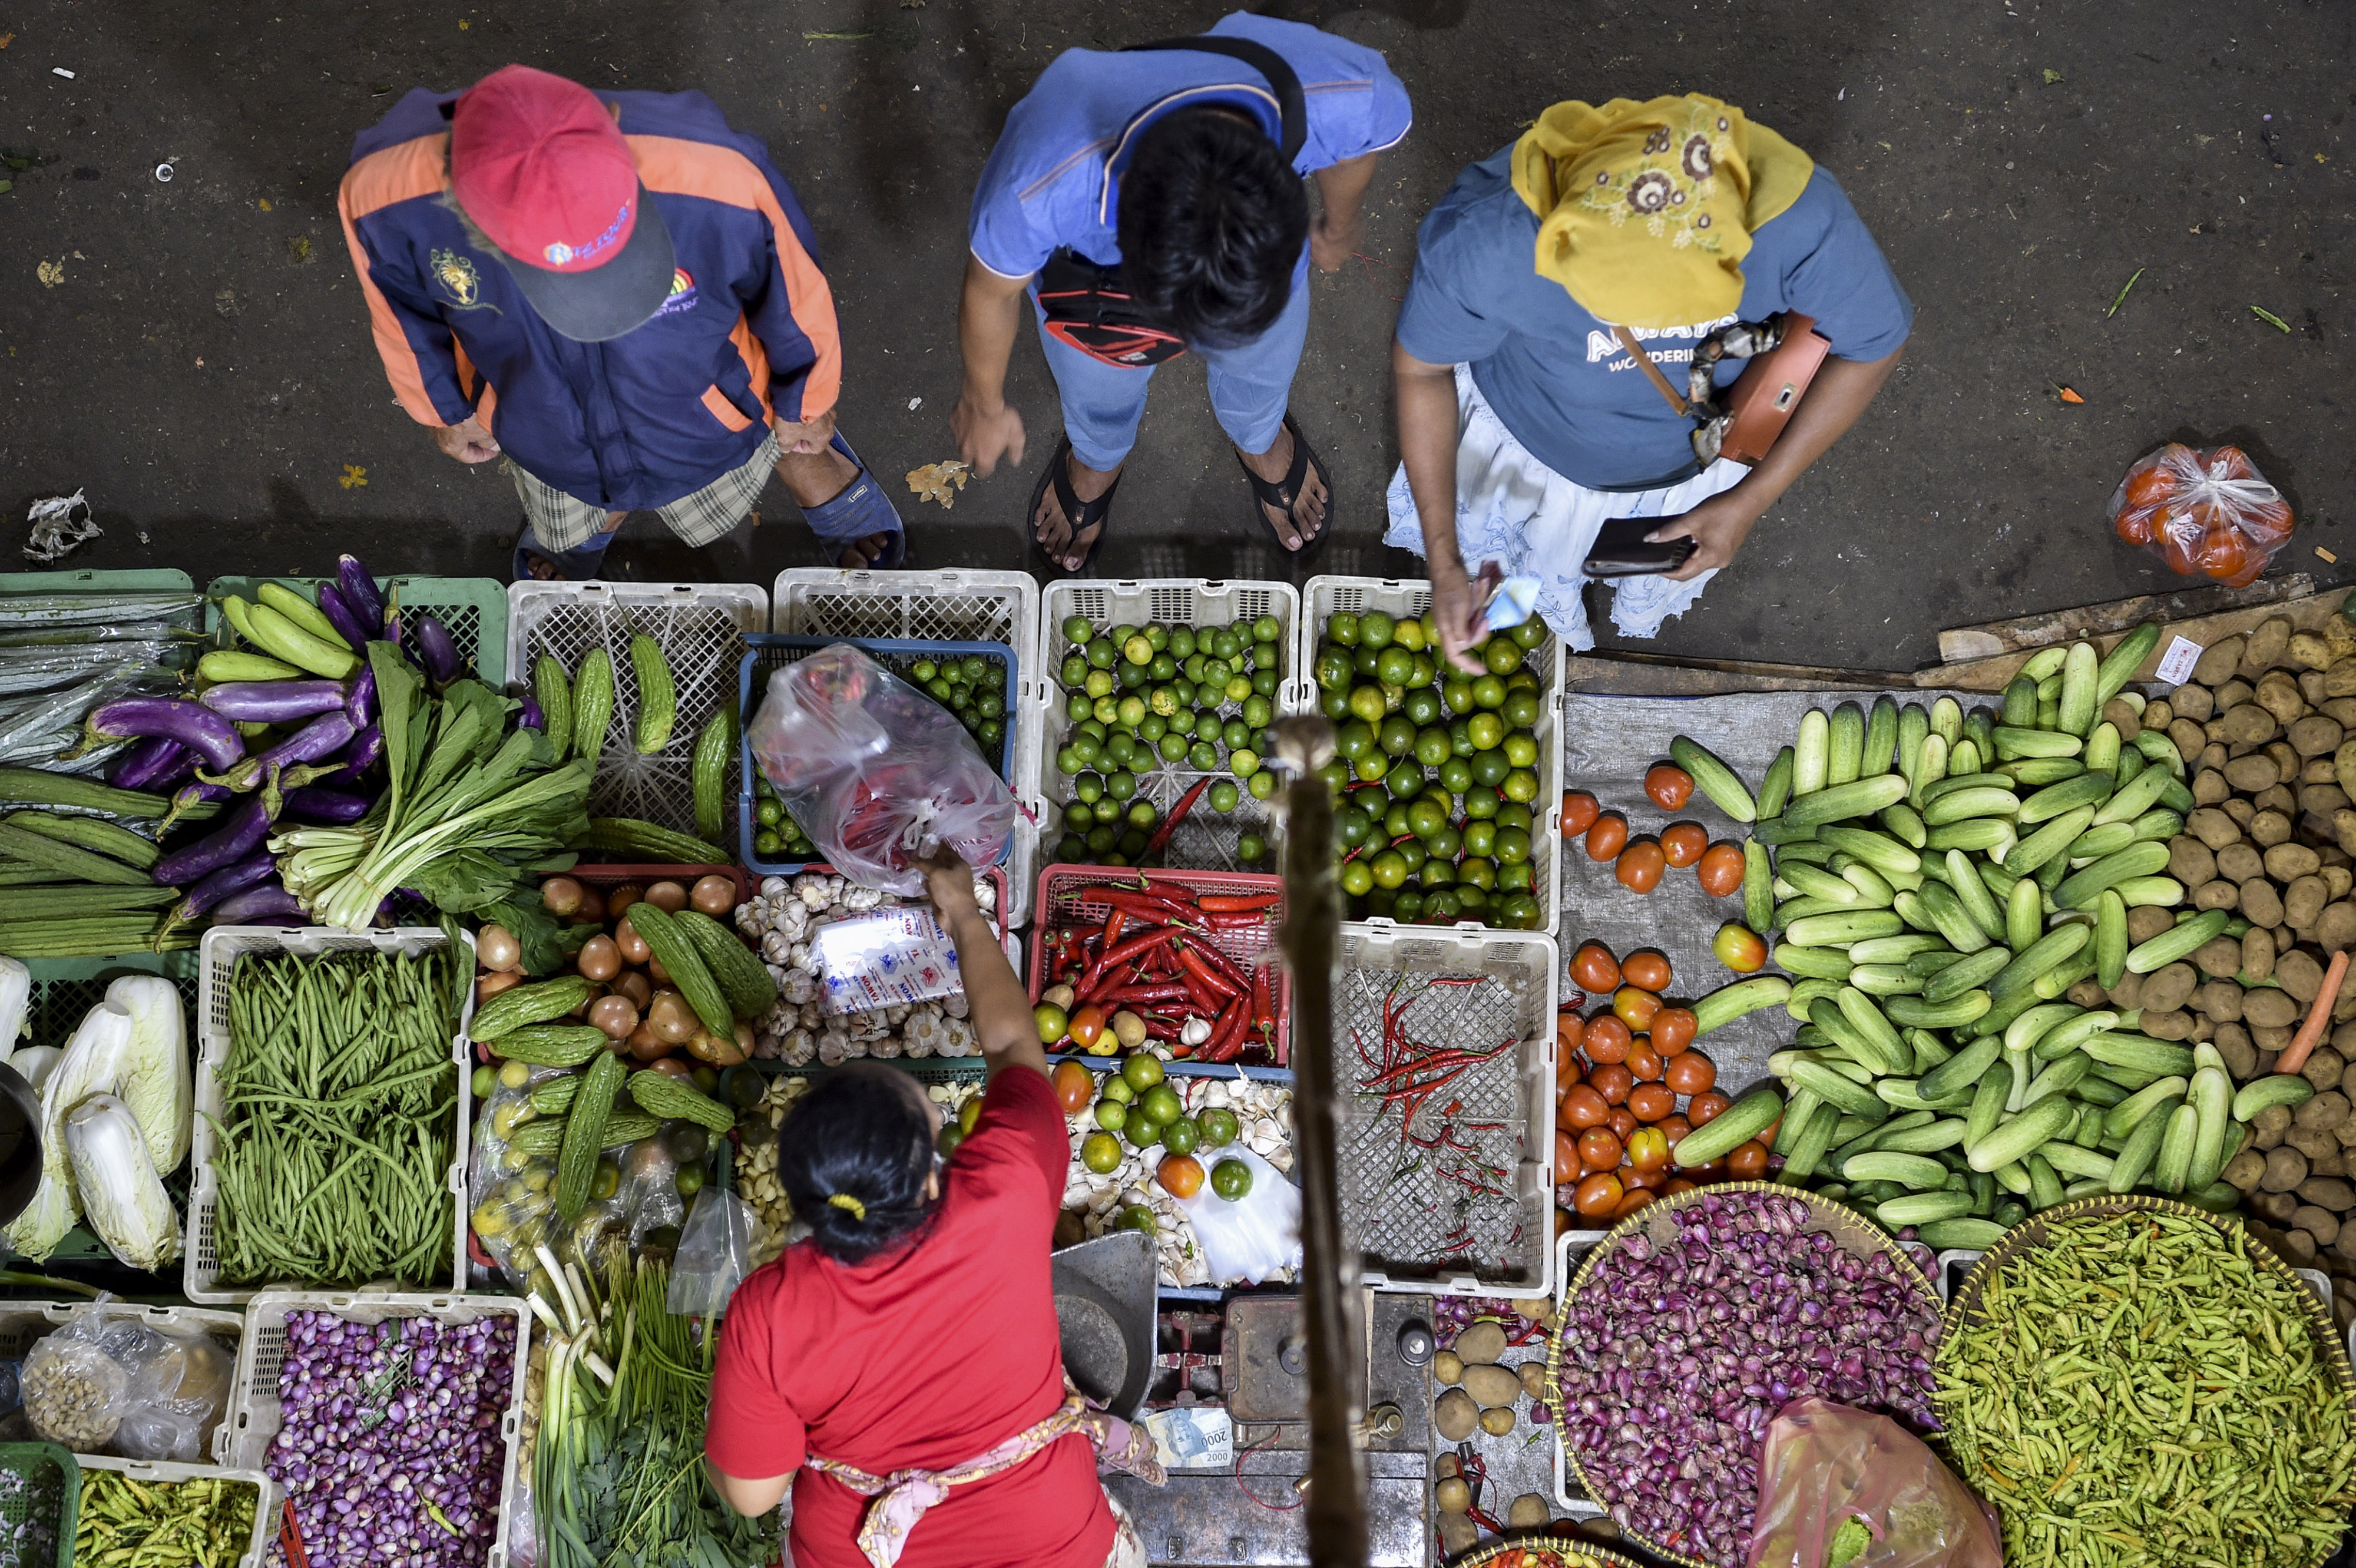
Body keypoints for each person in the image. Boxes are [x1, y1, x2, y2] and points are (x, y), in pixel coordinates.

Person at [706, 849, 1160, 1568]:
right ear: (927, 1176)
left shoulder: (769, 1309)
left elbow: (755, 1495)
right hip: (1049, 1542)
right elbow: (1013, 1043)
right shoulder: (1003, 1189)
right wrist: (961, 912)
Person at [1387, 94, 1912, 669]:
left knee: (1592, 559)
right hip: (1528, 442)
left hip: (1689, 466)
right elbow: (1421, 371)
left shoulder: (1799, 224)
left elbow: (1874, 346)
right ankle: (1534, 586)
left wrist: (1746, 502)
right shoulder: (1490, 242)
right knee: (1526, 558)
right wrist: (1444, 555)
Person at [337, 64, 906, 581]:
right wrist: (446, 411)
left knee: (766, 443)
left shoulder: (717, 176)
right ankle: (593, 514)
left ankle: (807, 456)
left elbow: (795, 297)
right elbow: (399, 314)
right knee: (568, 498)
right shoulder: (385, 197)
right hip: (544, 428)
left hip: (703, 415)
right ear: (464, 212)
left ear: (613, 119)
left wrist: (806, 401)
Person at [952, 15, 1411, 573]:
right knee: (1097, 382)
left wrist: (1339, 224)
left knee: (1264, 359)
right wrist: (984, 401)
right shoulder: (1043, 179)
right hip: (1098, 303)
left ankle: (1258, 432)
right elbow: (991, 293)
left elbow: (1357, 142)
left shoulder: (1343, 92)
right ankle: (1099, 452)